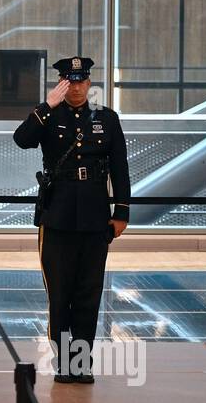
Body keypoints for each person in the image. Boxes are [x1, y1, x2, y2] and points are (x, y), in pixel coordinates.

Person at [13, 57, 130, 383]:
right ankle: (64, 362)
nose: (75, 86)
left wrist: (120, 211)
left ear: (89, 83)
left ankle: (82, 363)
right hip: (58, 217)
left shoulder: (106, 119)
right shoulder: (50, 116)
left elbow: (120, 167)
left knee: (88, 294)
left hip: (95, 218)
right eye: (69, 81)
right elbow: (22, 139)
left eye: (80, 81)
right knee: (60, 295)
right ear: (61, 83)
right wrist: (46, 105)